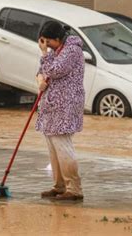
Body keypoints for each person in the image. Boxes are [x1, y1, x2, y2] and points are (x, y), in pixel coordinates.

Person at [35, 20, 85, 201]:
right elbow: (42, 70)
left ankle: (74, 188)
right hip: (51, 106)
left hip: (66, 105)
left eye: (48, 42)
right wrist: (40, 78)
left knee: (62, 145)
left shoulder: (72, 51)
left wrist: (43, 53)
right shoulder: (58, 51)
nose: (47, 46)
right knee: (53, 146)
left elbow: (55, 70)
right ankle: (59, 185)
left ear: (57, 38)